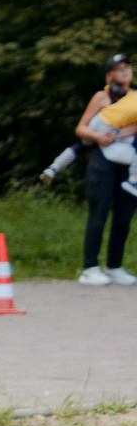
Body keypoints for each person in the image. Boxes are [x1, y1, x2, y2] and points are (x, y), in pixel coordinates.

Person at [42, 53, 136, 285]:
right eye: (118, 68)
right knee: (99, 213)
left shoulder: (135, 97)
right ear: (109, 75)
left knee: (124, 218)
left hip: (127, 163)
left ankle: (114, 266)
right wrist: (98, 136)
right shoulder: (100, 97)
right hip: (102, 163)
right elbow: (81, 129)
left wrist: (120, 133)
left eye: (127, 67)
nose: (124, 71)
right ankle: (90, 267)